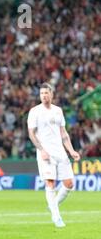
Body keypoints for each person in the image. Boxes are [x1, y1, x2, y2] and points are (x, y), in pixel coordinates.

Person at [27, 83, 80, 228]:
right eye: (41, 93)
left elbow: (63, 134)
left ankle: (53, 205)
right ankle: (56, 217)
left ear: (52, 94)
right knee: (50, 182)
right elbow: (31, 134)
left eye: (46, 93)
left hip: (60, 152)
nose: (44, 95)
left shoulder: (58, 111)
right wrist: (41, 150)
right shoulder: (35, 111)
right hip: (45, 153)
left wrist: (71, 150)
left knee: (69, 184)